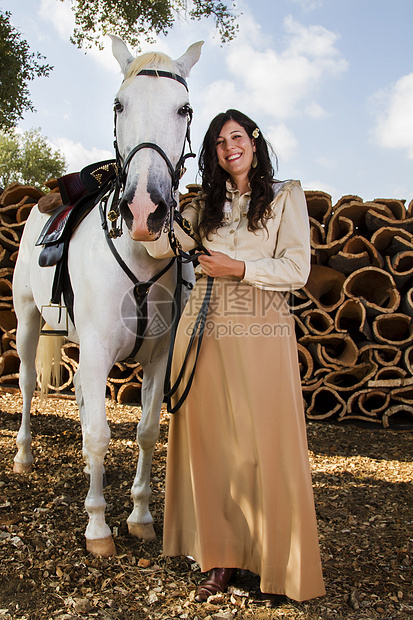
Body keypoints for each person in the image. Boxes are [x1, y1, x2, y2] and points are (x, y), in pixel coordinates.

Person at [141, 109, 325, 603]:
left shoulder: (286, 196)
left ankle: (276, 564)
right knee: (214, 446)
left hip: (261, 328)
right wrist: (149, 217)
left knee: (265, 444)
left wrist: (237, 266)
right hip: (203, 329)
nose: (229, 147)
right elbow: (165, 246)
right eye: (219, 142)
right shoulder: (205, 204)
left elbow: (296, 268)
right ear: (213, 153)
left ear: (254, 142)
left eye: (236, 137)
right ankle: (219, 559)